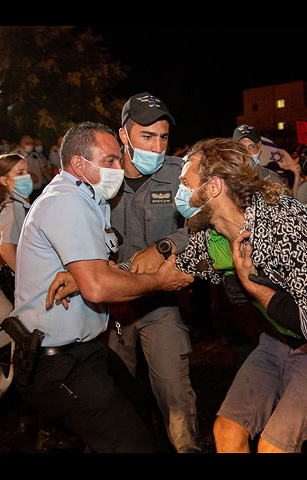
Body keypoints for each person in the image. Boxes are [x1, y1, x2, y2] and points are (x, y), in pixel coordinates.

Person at [11, 121, 193, 453]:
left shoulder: (88, 199)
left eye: (117, 159)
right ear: (79, 165)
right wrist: (161, 281)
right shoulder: (67, 202)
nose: (118, 167)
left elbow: (97, 271)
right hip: (57, 362)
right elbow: (98, 287)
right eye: (109, 160)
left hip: (87, 349)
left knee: (139, 409)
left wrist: (89, 276)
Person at [172, 137, 307, 453]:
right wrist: (107, 274)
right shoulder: (214, 230)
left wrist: (254, 287)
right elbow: (176, 268)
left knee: (273, 447)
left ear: (213, 187)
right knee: (227, 431)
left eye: (186, 182)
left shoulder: (284, 226)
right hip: (278, 339)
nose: (180, 192)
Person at [105, 92, 201, 453]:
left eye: (163, 137)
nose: (157, 146)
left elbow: (204, 226)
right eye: (147, 136)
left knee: (175, 393)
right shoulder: (102, 178)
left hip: (160, 304)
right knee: (116, 395)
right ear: (124, 136)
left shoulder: (179, 174)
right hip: (112, 309)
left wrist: (165, 246)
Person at [0, 153, 32, 302]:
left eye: (26, 171)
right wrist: (26, 278)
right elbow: (5, 249)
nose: (27, 176)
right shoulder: (13, 208)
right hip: (17, 281)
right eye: (20, 173)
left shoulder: (5, 204)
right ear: (4, 180)